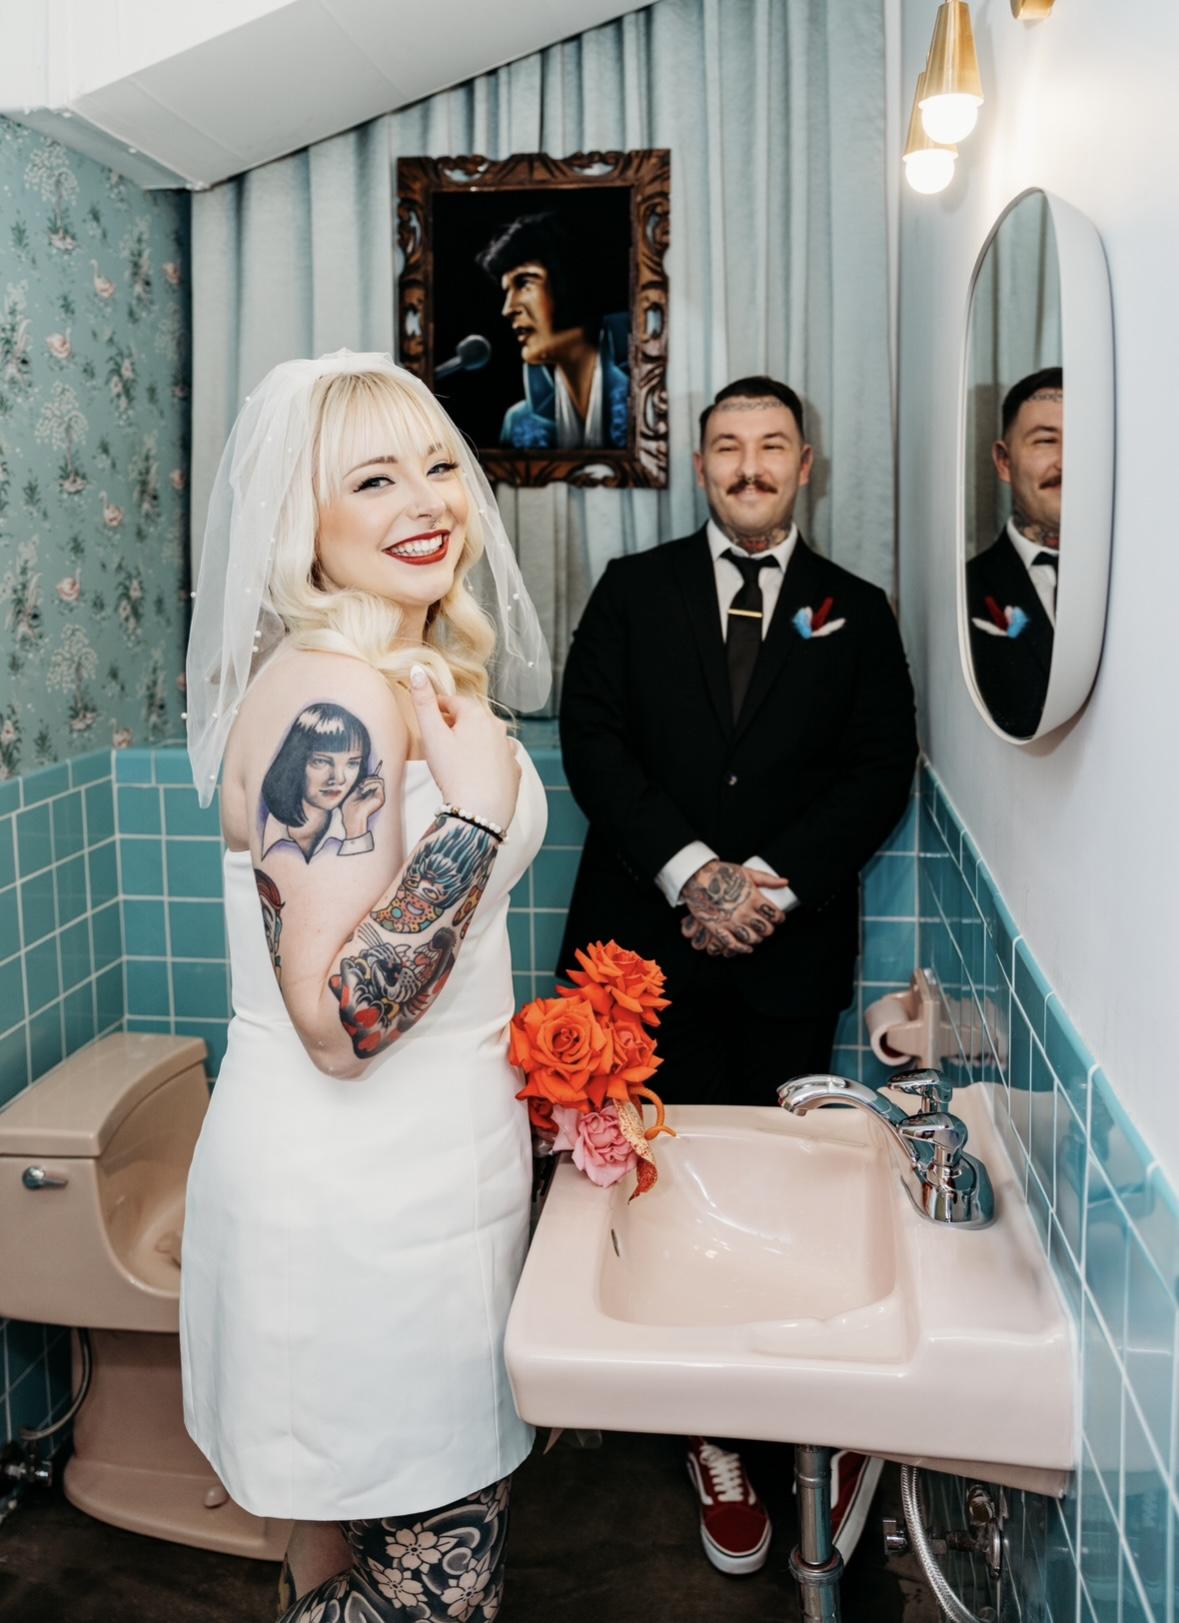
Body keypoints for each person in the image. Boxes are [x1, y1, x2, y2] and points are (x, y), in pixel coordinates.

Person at [179, 350, 551, 1622]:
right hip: (356, 1211)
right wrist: (479, 816)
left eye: (439, 465)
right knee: (431, 1600)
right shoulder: (332, 701)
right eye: (375, 479)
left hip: (430, 1182)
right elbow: (337, 1021)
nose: (428, 500)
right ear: (305, 522)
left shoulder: (403, 673)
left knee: (348, 1560)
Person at [558, 375, 918, 1578]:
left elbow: (879, 771)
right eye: (726, 445)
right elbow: (593, 740)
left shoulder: (859, 610)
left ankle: (785, 1405)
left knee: (778, 1193)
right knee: (652, 1189)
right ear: (700, 463)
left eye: (772, 445)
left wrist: (760, 886)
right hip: (636, 952)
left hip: (785, 955)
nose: (749, 465)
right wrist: (691, 874)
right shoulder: (631, 590)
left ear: (807, 465)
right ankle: (705, 1435)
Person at [477, 210, 630, 451]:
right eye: (507, 291)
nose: (508, 309)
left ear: (571, 280)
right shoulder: (518, 423)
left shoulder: (646, 399)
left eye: (524, 283)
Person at [966, 366, 1063, 738]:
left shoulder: (1153, 586)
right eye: (1046, 441)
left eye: (1084, 441)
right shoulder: (962, 594)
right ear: (1004, 461)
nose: (1065, 461)